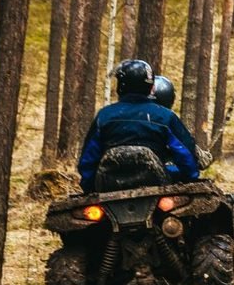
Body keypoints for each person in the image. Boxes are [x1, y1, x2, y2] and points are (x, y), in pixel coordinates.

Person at [77, 59, 201, 192]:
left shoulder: (104, 116)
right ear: (151, 87)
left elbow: (88, 160)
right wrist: (189, 179)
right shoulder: (165, 116)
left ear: (121, 84)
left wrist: (89, 187)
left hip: (108, 188)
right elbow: (186, 156)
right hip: (157, 187)